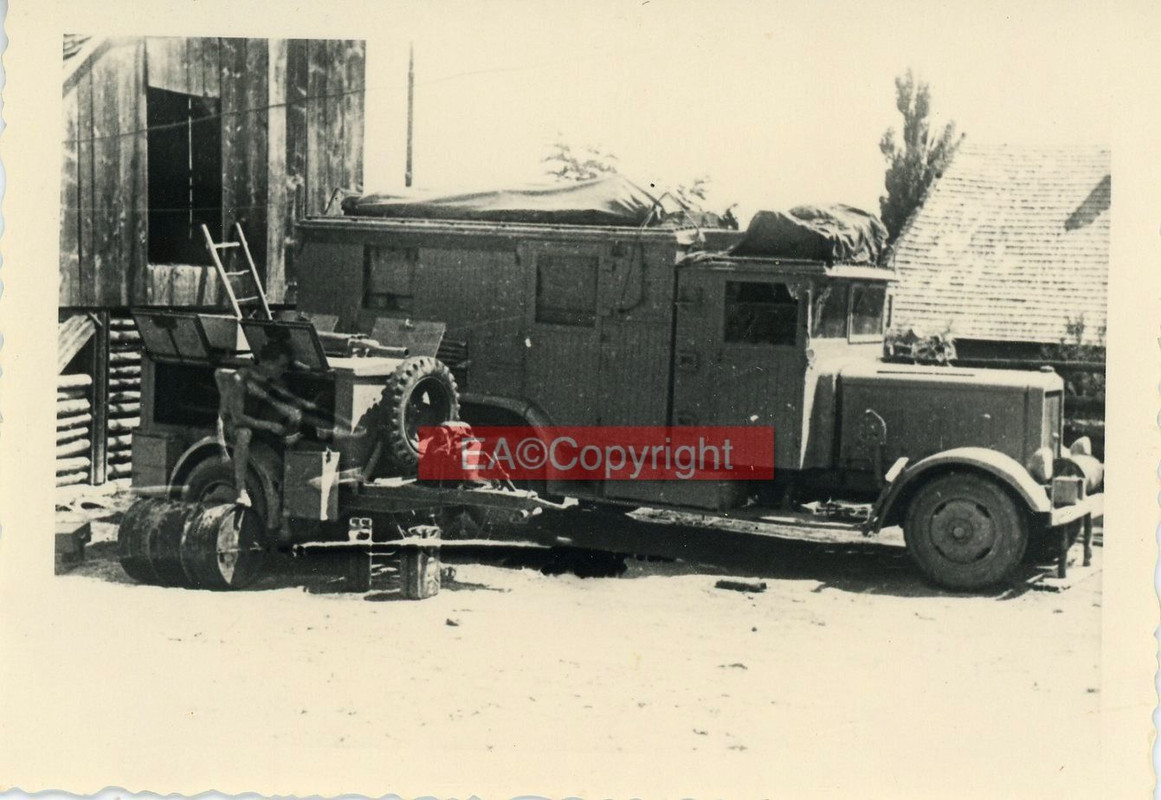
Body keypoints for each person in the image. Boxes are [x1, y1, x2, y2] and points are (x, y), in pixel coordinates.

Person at [215, 336, 303, 507]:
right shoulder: (240, 378)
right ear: (267, 363)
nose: (283, 370)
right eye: (281, 365)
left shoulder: (273, 381)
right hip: (232, 427)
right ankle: (240, 489)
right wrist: (270, 425)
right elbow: (237, 418)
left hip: (256, 422)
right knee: (244, 434)